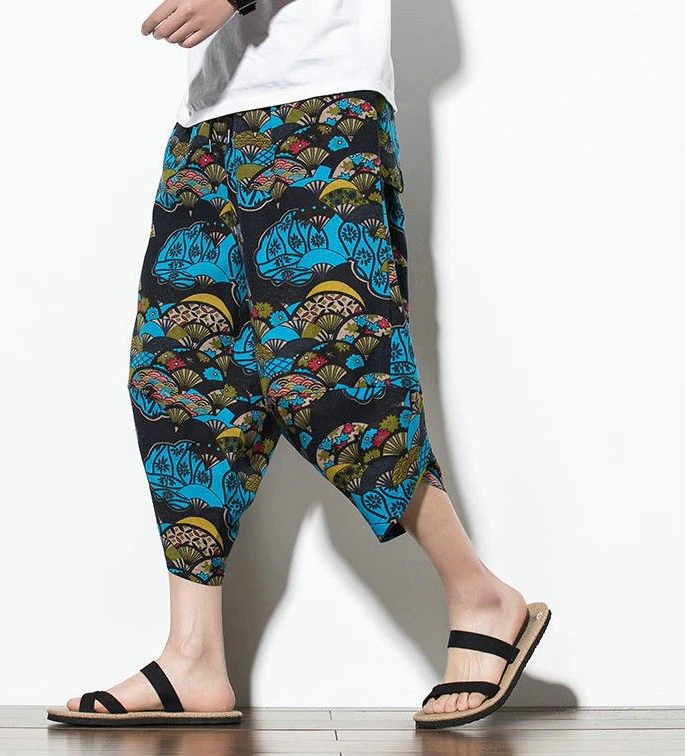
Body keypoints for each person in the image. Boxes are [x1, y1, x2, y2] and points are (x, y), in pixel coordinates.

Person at [46, 0, 550, 730]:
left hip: (320, 101)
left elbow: (452, 50)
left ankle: (482, 597)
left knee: (332, 376)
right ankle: (193, 656)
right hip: (210, 113)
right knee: (178, 379)